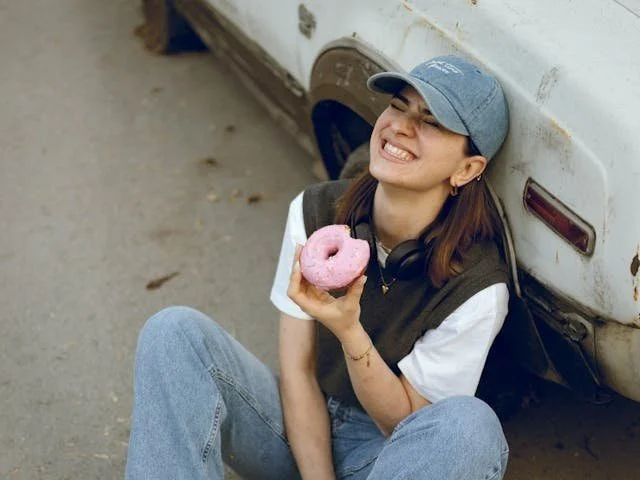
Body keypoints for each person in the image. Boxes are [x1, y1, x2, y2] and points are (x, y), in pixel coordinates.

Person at [125, 55, 511, 480]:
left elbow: (403, 426)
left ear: (467, 168)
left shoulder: (478, 288)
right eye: (398, 105)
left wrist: (350, 332)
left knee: (470, 427)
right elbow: (298, 370)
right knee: (173, 333)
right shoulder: (316, 212)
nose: (400, 125)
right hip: (295, 424)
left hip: (385, 457)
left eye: (432, 121)